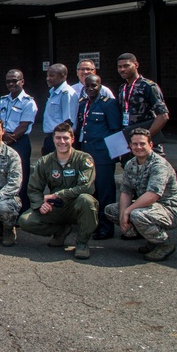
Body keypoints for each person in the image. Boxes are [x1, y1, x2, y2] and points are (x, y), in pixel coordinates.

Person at [17, 122, 98, 260]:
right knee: (25, 221)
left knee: (86, 200)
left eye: (66, 138)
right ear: (53, 139)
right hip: (55, 208)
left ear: (72, 139)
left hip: (76, 206)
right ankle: (60, 231)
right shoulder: (45, 162)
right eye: (58, 138)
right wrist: (39, 204)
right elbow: (34, 188)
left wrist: (58, 194)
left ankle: (82, 243)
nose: (62, 142)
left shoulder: (84, 159)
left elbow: (86, 188)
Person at [104, 129, 177, 262]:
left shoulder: (159, 165)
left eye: (142, 144)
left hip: (170, 210)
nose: (138, 147)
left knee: (136, 214)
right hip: (149, 207)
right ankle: (151, 239)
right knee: (112, 210)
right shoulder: (131, 164)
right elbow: (126, 191)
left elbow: (152, 195)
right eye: (135, 144)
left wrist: (128, 212)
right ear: (129, 146)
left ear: (151, 145)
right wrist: (122, 216)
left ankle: (164, 244)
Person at [74, 74, 121, 240]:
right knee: (91, 192)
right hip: (87, 154)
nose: (90, 89)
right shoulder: (83, 104)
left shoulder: (109, 104)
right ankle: (93, 224)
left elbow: (116, 130)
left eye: (94, 86)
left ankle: (106, 228)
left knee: (105, 192)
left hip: (103, 155)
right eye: (87, 87)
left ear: (100, 86)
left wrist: (116, 155)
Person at [0, 69, 37, 211]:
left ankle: (22, 210)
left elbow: (23, 126)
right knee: (3, 176)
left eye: (15, 80)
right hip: (3, 141)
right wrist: (1, 137)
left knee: (20, 178)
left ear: (22, 82)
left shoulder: (28, 102)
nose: (11, 84)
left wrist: (8, 138)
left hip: (19, 143)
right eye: (8, 81)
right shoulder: (3, 100)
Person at [116, 53, 170, 156]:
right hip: (128, 141)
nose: (122, 69)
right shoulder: (122, 88)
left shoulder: (148, 86)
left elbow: (163, 116)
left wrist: (146, 137)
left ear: (136, 65)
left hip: (146, 144)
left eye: (126, 66)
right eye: (120, 67)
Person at [42, 63, 77, 155]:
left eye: (51, 76)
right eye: (47, 75)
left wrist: (60, 141)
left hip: (60, 139)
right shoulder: (53, 92)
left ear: (62, 76)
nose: (48, 78)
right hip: (51, 137)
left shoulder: (67, 93)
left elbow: (68, 122)